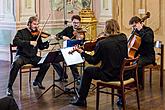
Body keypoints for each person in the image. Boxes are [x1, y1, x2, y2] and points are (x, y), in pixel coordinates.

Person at [70, 19, 128, 107]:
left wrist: (82, 52)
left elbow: (94, 61)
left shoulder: (102, 43)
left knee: (88, 70)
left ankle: (81, 99)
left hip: (109, 75)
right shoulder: (123, 37)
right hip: (124, 74)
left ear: (106, 29)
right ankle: (120, 98)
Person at [6, 16, 50, 96]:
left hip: (33, 57)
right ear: (29, 24)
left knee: (46, 63)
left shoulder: (37, 34)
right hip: (22, 56)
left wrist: (47, 42)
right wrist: (29, 42)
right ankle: (9, 87)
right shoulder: (21, 32)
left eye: (37, 24)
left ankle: (37, 81)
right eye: (34, 24)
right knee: (16, 64)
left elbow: (40, 46)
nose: (36, 26)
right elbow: (15, 41)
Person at [54, 15, 84, 82]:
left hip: (77, 51)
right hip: (66, 50)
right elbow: (58, 35)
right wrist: (63, 37)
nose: (76, 24)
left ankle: (77, 77)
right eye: (74, 22)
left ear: (80, 23)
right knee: (53, 59)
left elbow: (82, 42)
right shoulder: (68, 29)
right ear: (72, 22)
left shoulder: (81, 31)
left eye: (77, 23)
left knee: (70, 58)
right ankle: (63, 75)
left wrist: (79, 36)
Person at [129, 16, 155, 88]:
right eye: (132, 27)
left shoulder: (148, 31)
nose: (134, 28)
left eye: (135, 26)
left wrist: (140, 30)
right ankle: (131, 81)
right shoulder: (136, 32)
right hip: (139, 56)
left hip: (148, 56)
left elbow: (148, 40)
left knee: (137, 63)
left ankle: (139, 84)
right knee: (127, 62)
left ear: (141, 23)